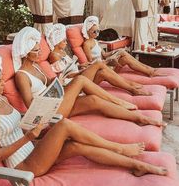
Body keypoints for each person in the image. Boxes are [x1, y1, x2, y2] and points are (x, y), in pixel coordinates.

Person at [0, 48, 167, 182]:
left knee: (76, 146)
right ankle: (120, 148)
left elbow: (19, 120)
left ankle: (138, 165)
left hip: (35, 149)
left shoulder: (1, 100)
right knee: (64, 126)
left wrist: (36, 115)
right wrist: (28, 137)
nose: (3, 84)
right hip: (23, 166)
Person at [12, 26, 166, 127]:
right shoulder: (21, 76)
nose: (40, 53)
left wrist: (57, 83)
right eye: (36, 51)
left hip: (57, 101)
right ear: (25, 52)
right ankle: (118, 101)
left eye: (40, 50)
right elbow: (32, 106)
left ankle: (140, 118)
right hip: (46, 114)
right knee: (81, 79)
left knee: (94, 100)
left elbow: (52, 81)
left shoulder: (37, 66)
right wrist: (58, 89)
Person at [46, 23, 151, 96]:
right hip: (73, 81)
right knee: (98, 64)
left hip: (79, 74)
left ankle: (130, 86)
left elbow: (69, 68)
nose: (66, 42)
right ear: (56, 41)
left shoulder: (62, 52)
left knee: (103, 72)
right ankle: (132, 86)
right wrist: (83, 70)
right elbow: (64, 75)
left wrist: (80, 66)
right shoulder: (54, 55)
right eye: (63, 40)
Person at [82, 16, 163, 77]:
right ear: (88, 31)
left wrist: (114, 52)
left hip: (105, 63)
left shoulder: (95, 41)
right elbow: (91, 63)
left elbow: (104, 55)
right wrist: (107, 61)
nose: (97, 34)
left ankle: (148, 70)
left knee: (122, 53)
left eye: (98, 31)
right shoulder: (86, 44)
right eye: (94, 32)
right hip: (102, 68)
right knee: (123, 55)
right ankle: (149, 70)